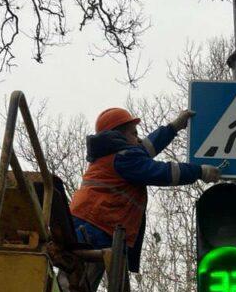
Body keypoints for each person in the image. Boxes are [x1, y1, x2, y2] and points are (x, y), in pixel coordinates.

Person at [69, 106, 220, 273]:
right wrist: (199, 171)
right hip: (94, 227)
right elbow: (162, 172)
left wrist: (173, 127)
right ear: (119, 135)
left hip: (92, 223)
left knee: (81, 280)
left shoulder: (114, 155)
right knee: (79, 282)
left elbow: (145, 148)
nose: (139, 139)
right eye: (134, 133)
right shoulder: (124, 158)